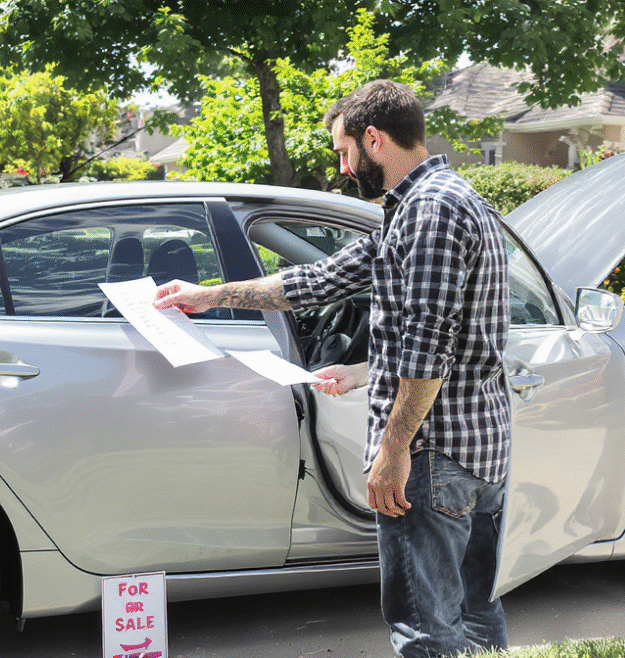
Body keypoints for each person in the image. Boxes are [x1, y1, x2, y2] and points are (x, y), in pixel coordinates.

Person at [152, 79, 512, 657]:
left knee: (426, 626)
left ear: (374, 138)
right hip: (479, 448)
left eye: (345, 151)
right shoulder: (438, 203)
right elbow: (315, 282)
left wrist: (394, 451)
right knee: (473, 611)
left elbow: (428, 343)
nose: (344, 168)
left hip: (432, 455)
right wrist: (209, 295)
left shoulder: (430, 212)